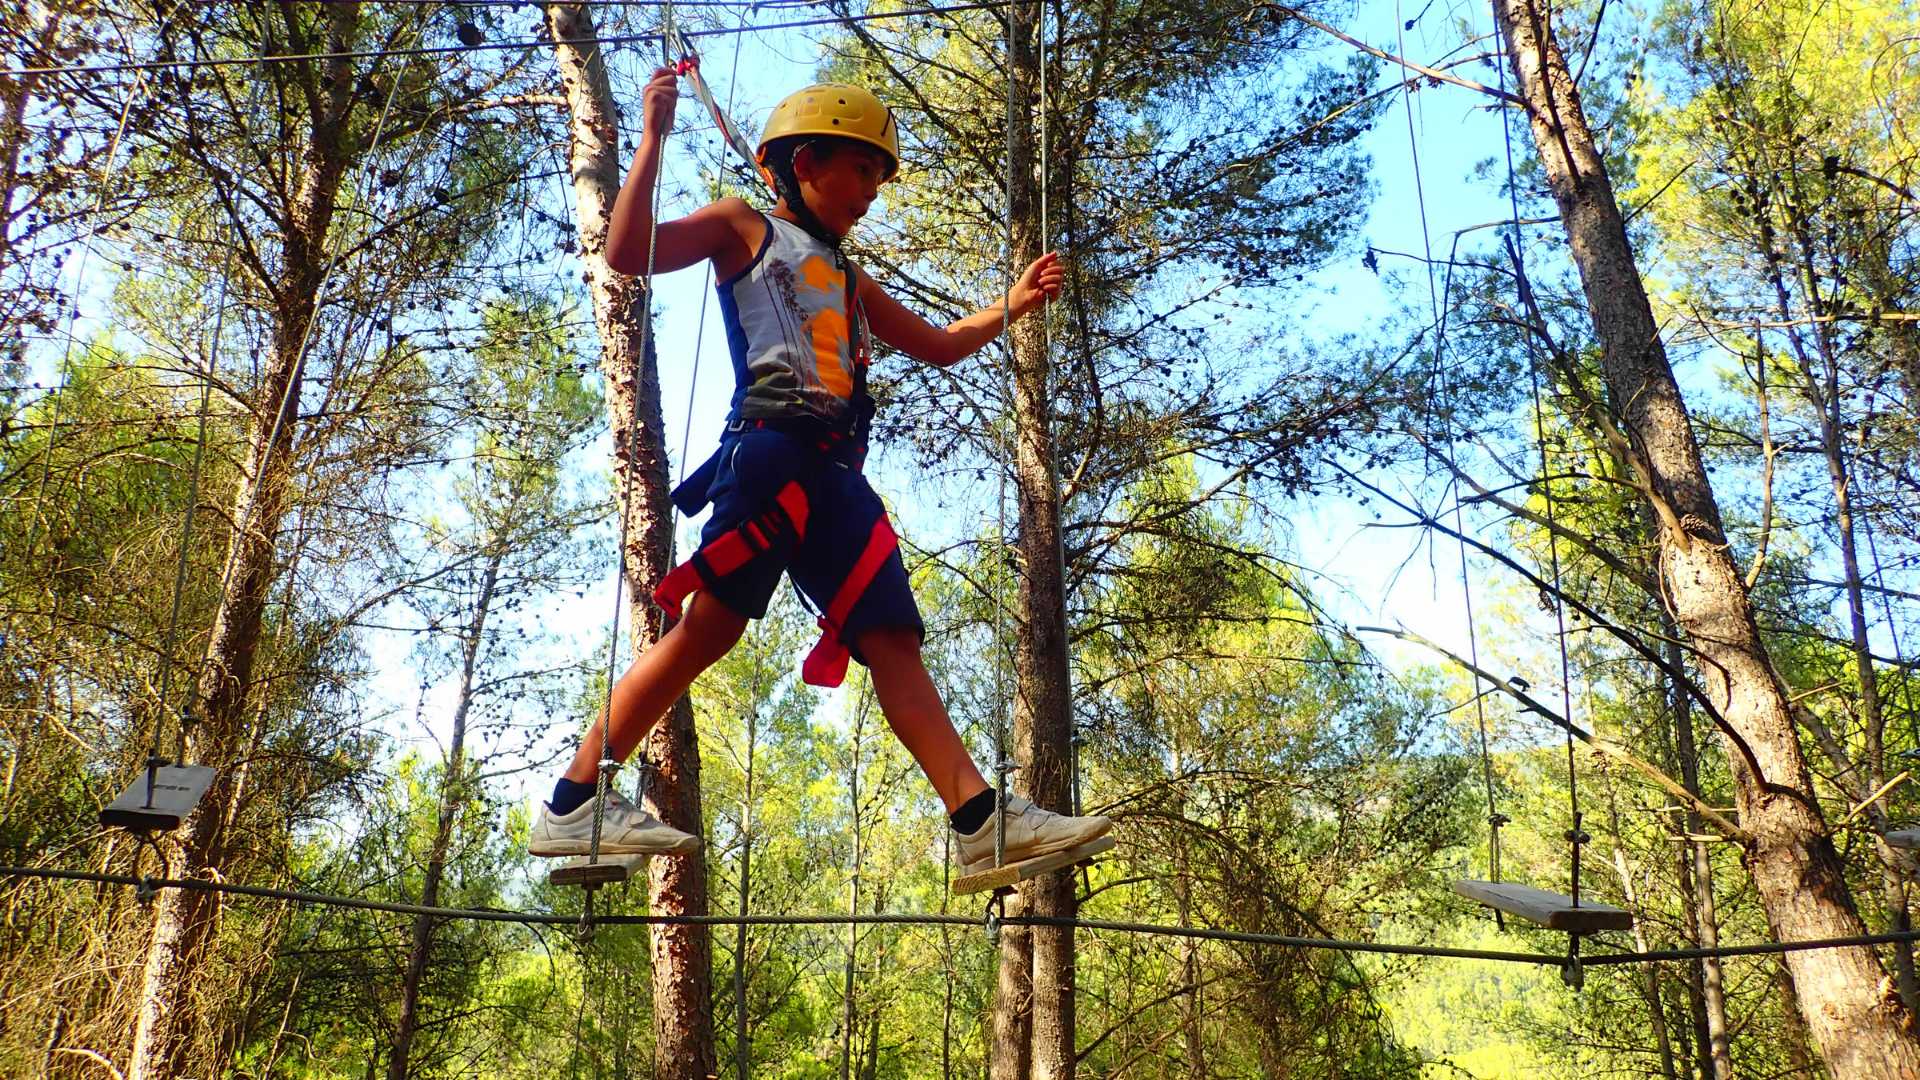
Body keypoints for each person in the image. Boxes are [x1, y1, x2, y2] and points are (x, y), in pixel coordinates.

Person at [528, 71, 1112, 878]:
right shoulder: (745, 227)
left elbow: (937, 345)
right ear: (805, 161)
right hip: (769, 456)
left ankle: (980, 819)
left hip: (834, 473)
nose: (873, 191)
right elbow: (628, 253)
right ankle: (573, 801)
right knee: (710, 631)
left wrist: (1011, 305)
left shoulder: (844, 272)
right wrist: (654, 139)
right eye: (864, 169)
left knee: (892, 637)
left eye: (879, 175)